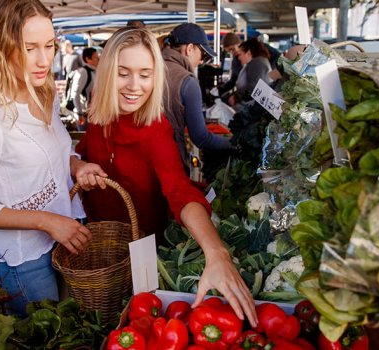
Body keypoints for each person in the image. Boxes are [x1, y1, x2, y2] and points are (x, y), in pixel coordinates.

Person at [75, 27, 258, 326]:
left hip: (142, 254)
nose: (135, 86)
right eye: (124, 73)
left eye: (145, 74)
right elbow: (82, 153)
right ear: (108, 72)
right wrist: (77, 167)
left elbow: (179, 190)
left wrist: (216, 252)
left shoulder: (154, 129)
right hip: (101, 247)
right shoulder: (99, 117)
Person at [0, 0, 106, 317]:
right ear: (2, 47)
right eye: (30, 47)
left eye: (49, 46)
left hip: (62, 239)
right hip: (22, 259)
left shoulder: (44, 94)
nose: (44, 59)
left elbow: (56, 153)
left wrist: (77, 166)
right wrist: (45, 221)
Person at [163, 23, 232, 174]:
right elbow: (200, 137)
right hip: (168, 160)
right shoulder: (187, 81)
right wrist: (232, 143)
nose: (201, 61)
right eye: (203, 55)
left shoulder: (149, 67)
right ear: (189, 49)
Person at [228, 38, 272, 109]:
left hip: (254, 108)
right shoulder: (255, 63)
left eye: (240, 54)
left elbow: (253, 87)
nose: (238, 58)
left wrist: (236, 98)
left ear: (248, 53)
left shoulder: (257, 63)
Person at [67, 47, 99, 130]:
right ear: (88, 59)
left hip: (91, 113)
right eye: (96, 57)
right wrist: (79, 113)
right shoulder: (83, 72)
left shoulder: (94, 71)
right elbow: (75, 93)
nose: (98, 59)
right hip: (84, 115)